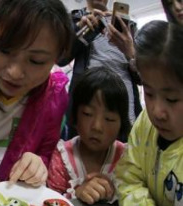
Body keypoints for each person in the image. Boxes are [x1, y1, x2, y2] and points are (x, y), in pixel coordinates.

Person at [0, 0, 73, 193]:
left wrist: (37, 165)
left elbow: (45, 153)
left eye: (36, 61)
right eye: (4, 50)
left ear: (56, 57)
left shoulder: (53, 96)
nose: (14, 72)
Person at [115, 21, 183, 206]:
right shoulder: (145, 123)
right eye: (149, 93)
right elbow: (127, 178)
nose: (156, 111)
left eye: (172, 98)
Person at [47, 67, 130, 204]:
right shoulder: (62, 158)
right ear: (75, 115)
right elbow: (50, 204)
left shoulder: (127, 159)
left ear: (122, 124)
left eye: (109, 119)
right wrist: (77, 194)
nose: (97, 127)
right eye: (87, 114)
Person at [59, 0, 141, 136]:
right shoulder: (74, 20)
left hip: (124, 110)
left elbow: (142, 78)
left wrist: (131, 53)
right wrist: (81, 31)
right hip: (87, 107)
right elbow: (61, 59)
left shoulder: (129, 26)